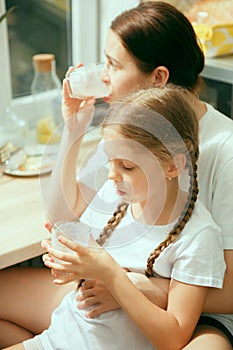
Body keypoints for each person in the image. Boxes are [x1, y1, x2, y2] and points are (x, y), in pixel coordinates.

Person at [1, 1, 233, 348]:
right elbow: (65, 214)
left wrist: (131, 287)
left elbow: (227, 290)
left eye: (113, 64)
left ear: (158, 77)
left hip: (197, 313)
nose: (103, 74)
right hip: (107, 292)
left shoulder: (224, 148)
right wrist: (73, 130)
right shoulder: (125, 131)